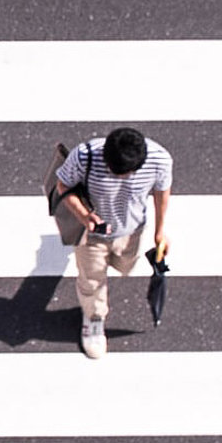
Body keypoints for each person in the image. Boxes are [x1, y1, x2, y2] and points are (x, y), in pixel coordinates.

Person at [53, 126, 174, 359]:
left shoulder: (159, 160)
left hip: (132, 229)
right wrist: (84, 216)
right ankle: (94, 319)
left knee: (125, 266)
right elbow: (63, 185)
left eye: (122, 174)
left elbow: (162, 192)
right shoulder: (85, 155)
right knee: (92, 280)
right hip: (91, 235)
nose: (115, 176)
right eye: (110, 170)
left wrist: (160, 231)